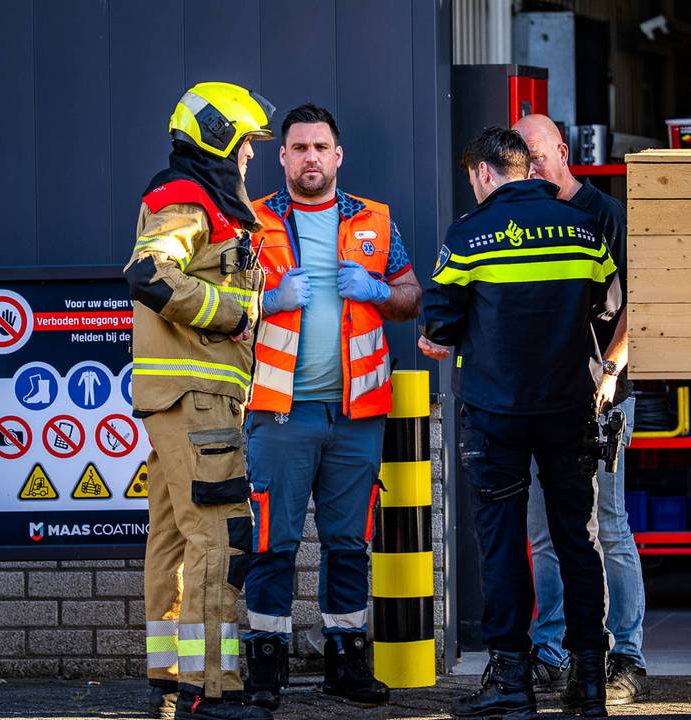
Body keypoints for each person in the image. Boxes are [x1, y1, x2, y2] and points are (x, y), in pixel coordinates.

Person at [420, 127, 622, 719]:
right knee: (577, 540)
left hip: (496, 415)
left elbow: (438, 323)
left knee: (505, 542)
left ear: (484, 173)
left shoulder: (467, 234)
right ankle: (589, 681)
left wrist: (451, 337)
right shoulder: (582, 228)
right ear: (524, 167)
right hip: (569, 409)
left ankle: (511, 678)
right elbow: (608, 304)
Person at [242, 103, 422, 710]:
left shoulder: (375, 220)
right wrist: (268, 299)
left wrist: (376, 290)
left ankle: (346, 663)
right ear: (283, 156)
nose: (311, 157)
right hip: (280, 411)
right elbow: (224, 305)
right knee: (273, 542)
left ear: (338, 155)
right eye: (300, 148)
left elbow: (410, 295)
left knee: (349, 544)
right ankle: (265, 670)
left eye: (321, 147)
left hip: (357, 414)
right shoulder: (252, 221)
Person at [124, 81, 275, 720]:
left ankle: (169, 680)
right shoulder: (189, 199)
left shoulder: (198, 200)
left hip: (177, 401)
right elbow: (149, 272)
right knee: (218, 537)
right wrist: (231, 315)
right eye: (245, 147)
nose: (248, 160)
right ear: (218, 139)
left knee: (175, 539)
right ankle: (213, 691)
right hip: (197, 401)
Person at [512, 113, 649, 704]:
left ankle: (627, 655)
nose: (532, 167)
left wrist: (612, 370)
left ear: (562, 151)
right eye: (521, 158)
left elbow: (638, 306)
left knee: (609, 527)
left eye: (538, 155)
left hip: (604, 397)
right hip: (544, 399)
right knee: (545, 533)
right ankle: (551, 649)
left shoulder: (606, 215)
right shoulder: (522, 216)